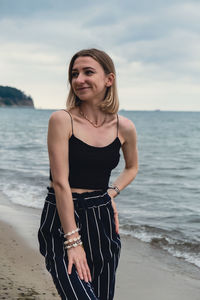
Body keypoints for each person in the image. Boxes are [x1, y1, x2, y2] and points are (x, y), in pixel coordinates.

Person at [38, 48, 138, 300]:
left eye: (88, 72)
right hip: (62, 219)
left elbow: (132, 167)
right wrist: (73, 242)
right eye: (74, 73)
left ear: (109, 79)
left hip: (102, 220)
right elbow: (60, 183)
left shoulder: (124, 127)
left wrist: (111, 194)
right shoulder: (62, 120)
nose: (79, 79)